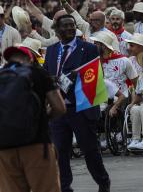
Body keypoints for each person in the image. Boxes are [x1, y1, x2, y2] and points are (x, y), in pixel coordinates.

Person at [44, 14, 110, 192]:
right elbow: (45, 76)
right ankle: (64, 187)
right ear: (57, 30)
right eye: (65, 26)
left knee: (90, 151)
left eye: (72, 25)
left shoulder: (88, 49)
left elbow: (95, 75)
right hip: (59, 110)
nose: (70, 29)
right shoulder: (51, 51)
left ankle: (103, 182)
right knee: (60, 152)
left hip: (81, 108)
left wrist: (77, 77)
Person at [0, 46, 66, 192]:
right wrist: (43, 119)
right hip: (36, 144)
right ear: (30, 59)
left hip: (4, 148)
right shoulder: (38, 73)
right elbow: (60, 107)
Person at [91, 31, 137, 98]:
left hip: (120, 100)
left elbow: (135, 83)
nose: (93, 46)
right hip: (100, 99)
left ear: (103, 46)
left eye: (96, 44)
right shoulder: (93, 61)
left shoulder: (124, 61)